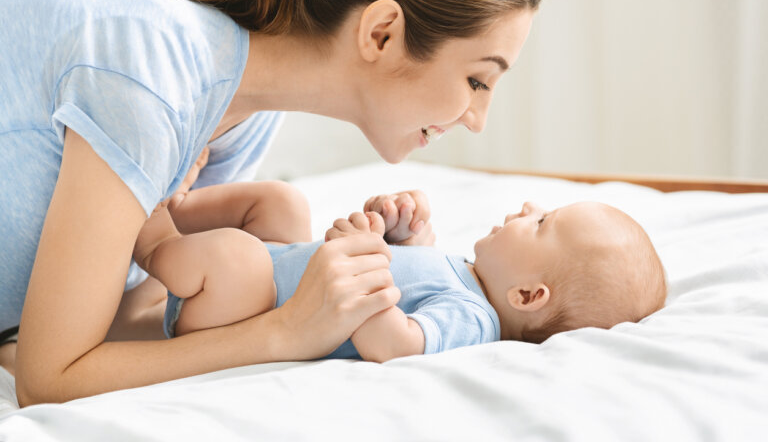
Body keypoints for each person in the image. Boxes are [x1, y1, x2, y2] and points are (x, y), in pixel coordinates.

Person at [0, 0, 542, 405]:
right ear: (382, 33)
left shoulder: (244, 111)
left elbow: (151, 303)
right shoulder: (154, 71)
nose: (477, 120)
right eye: (478, 80)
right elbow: (49, 380)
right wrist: (284, 331)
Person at [135, 183, 667, 361]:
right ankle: (180, 200)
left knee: (236, 255)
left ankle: (153, 238)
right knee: (281, 201)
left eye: (543, 222)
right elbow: (413, 279)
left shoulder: (474, 320)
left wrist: (358, 256)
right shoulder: (467, 273)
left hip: (244, 307)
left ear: (527, 295)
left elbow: (394, 344)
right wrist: (399, 236)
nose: (527, 207)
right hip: (278, 269)